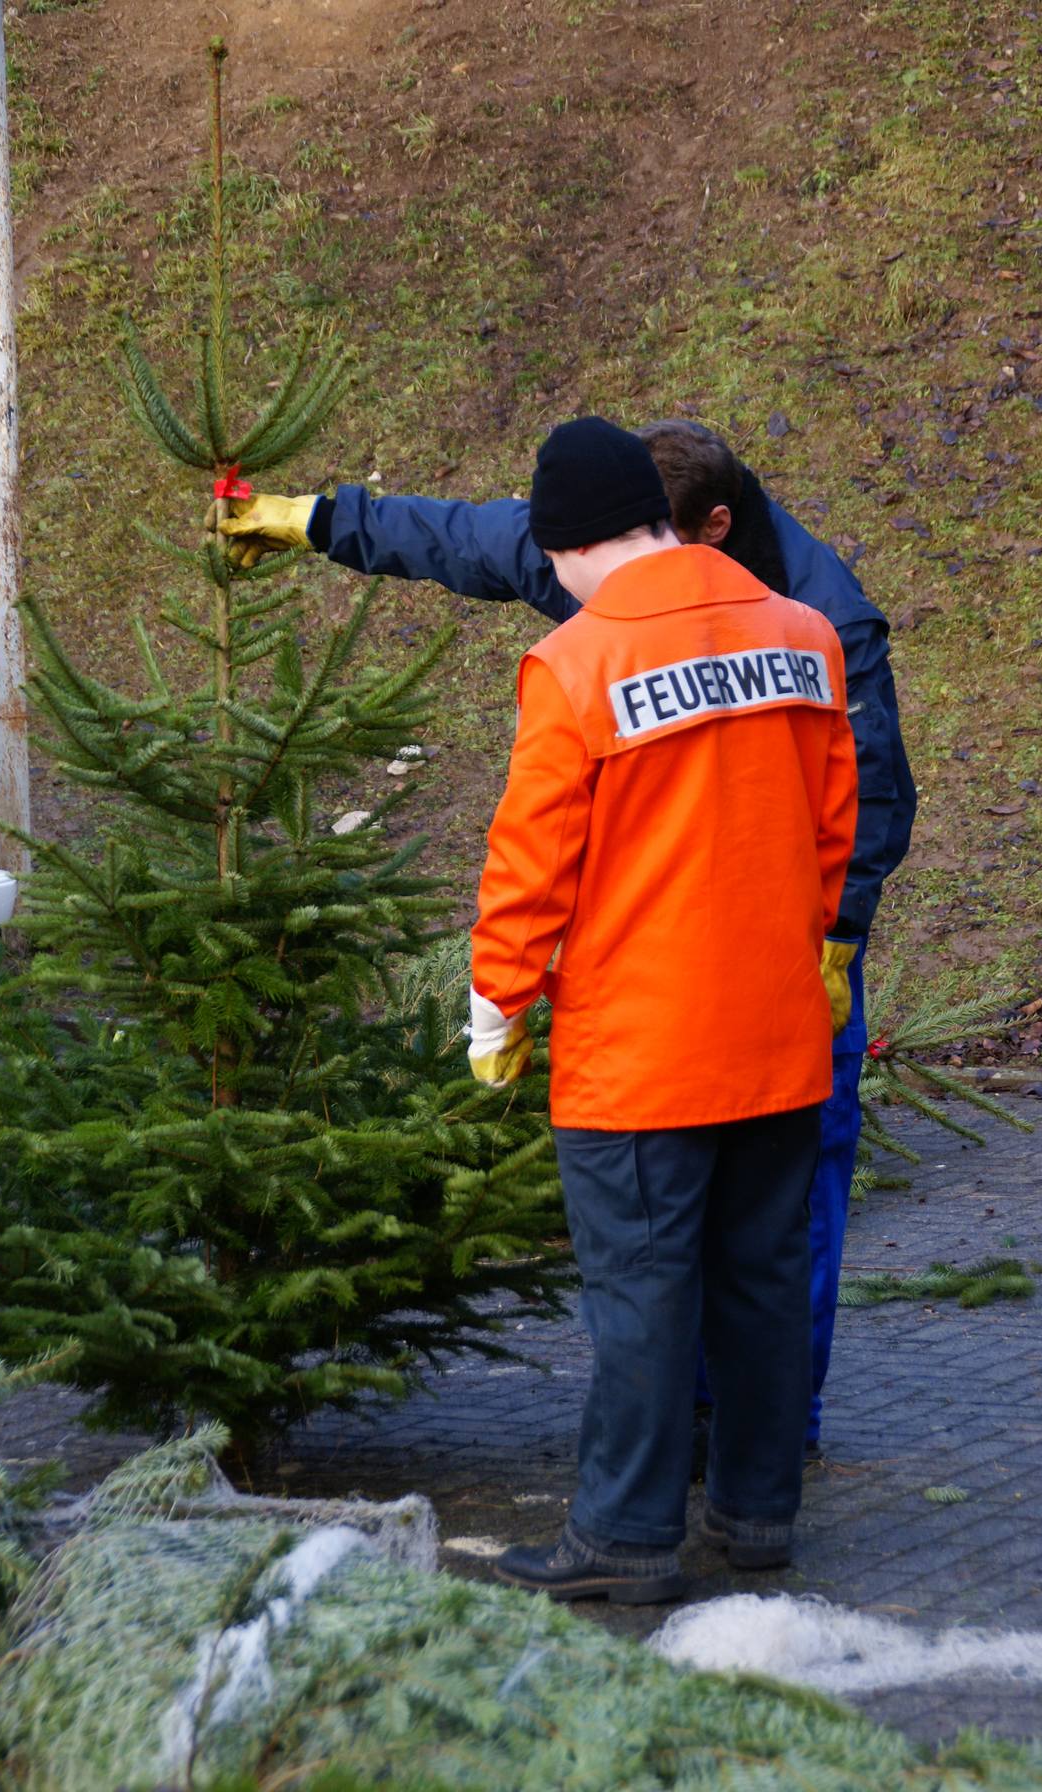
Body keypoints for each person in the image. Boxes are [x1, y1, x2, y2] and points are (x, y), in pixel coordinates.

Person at [214, 419, 915, 1450]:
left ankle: (769, 1436)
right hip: (667, 973)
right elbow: (461, 538)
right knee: (694, 1237)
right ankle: (694, 1436)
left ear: (708, 528)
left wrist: (838, 937)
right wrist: (315, 520)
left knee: (785, 1224)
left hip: (788, 962)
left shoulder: (820, 617)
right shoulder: (606, 538)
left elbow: (867, 793)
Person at [461, 415, 857, 1600]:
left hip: (640, 1058)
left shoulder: (577, 664)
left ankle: (625, 1536)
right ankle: (757, 1513)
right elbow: (832, 829)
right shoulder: (804, 635)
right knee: (761, 1279)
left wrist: (496, 1008)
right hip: (779, 1039)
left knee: (642, 1296)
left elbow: (530, 865)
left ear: (574, 543)